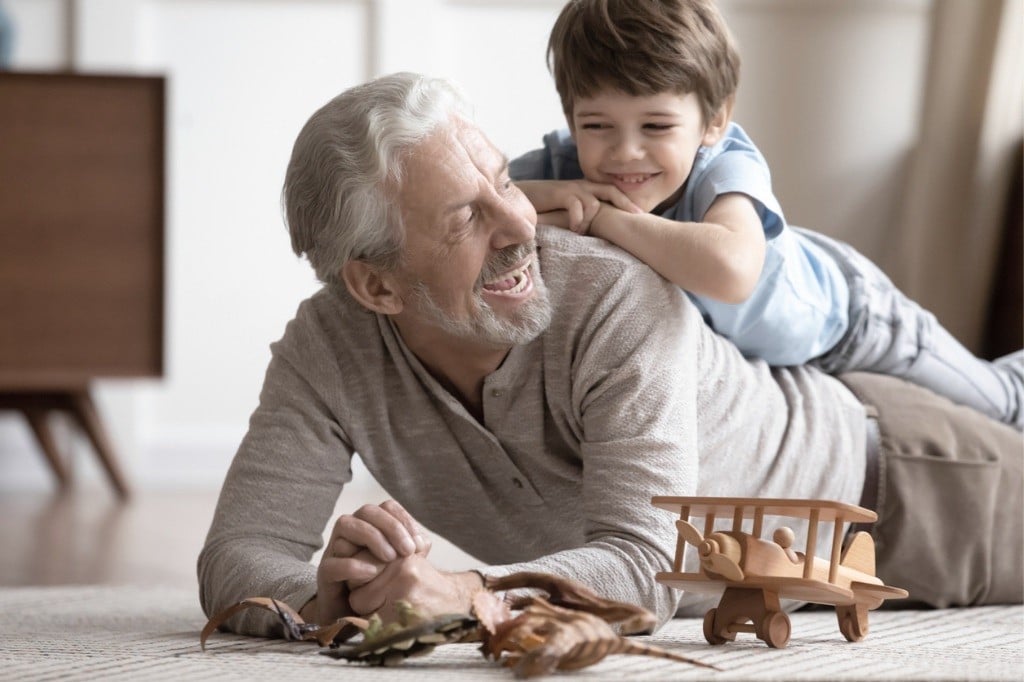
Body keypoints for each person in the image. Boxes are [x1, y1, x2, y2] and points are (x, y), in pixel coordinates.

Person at [197, 72, 1022, 639]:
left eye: (503, 182)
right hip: (776, 568)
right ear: (375, 288)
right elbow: (236, 552)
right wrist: (332, 597)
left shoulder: (614, 298)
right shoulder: (327, 346)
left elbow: (640, 564)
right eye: (463, 219)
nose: (523, 224)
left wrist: (462, 595)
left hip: (910, 481)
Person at [510, 0, 1024, 430]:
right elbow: (468, 203)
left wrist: (601, 218)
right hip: (783, 360)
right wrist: (548, 193)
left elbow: (730, 273)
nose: (624, 152)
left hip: (854, 322)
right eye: (597, 125)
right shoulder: (564, 166)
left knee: (999, 404)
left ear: (714, 121)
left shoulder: (725, 164)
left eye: (657, 126)